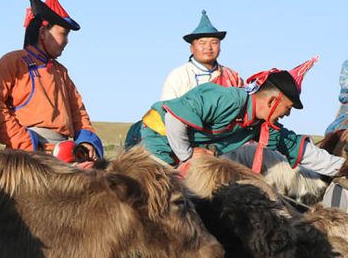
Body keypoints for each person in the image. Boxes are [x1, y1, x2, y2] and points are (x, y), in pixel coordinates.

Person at [139, 67, 346, 177]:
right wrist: (188, 155)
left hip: (183, 154)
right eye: (288, 108)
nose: (287, 115)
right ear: (273, 101)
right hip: (158, 139)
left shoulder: (261, 126)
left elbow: (300, 150)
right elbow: (174, 117)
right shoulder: (228, 98)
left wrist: (342, 168)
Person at [0, 0, 103, 162]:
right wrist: (21, 140)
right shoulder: (13, 61)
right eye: (63, 33)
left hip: (65, 156)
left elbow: (79, 113)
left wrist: (87, 142)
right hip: (27, 156)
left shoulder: (61, 72)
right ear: (44, 32)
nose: (67, 41)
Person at [160, 10, 244, 100]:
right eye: (202, 43)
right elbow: (167, 108)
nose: (208, 47)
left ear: (220, 47)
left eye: (214, 42)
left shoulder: (232, 76)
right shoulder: (179, 75)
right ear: (191, 48)